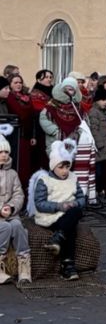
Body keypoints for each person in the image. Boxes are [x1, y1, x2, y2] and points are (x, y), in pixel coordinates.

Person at [29, 140, 85, 280]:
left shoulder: (73, 178)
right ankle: (68, 265)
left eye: (67, 166)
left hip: (68, 214)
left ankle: (58, 238)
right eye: (61, 167)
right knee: (70, 228)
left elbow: (82, 199)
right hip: (50, 216)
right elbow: (40, 203)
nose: (65, 171)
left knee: (76, 212)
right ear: (54, 166)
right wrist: (59, 206)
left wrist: (74, 203)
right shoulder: (45, 180)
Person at [0, 126, 31, 284]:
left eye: (6, 152)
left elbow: (19, 194)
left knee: (18, 227)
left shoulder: (13, 174)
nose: (4, 155)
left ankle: (24, 265)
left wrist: (11, 207)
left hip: (10, 213)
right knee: (5, 228)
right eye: (1, 152)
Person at [86, 85, 106, 202]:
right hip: (100, 149)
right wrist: (100, 145)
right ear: (97, 100)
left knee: (104, 172)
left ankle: (101, 193)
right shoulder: (94, 112)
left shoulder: (103, 112)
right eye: (103, 100)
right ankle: (97, 193)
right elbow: (94, 129)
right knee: (97, 173)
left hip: (105, 148)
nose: (105, 102)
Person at [6, 74, 39, 184]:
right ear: (10, 85)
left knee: (27, 165)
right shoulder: (10, 97)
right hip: (16, 136)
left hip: (27, 136)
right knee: (19, 165)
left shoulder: (26, 97)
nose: (18, 84)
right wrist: (28, 107)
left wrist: (33, 135)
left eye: (20, 82)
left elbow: (33, 116)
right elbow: (21, 113)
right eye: (15, 82)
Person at [39, 76, 85, 147]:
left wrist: (79, 132)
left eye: (71, 89)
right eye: (67, 89)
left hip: (75, 140)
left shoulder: (77, 106)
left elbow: (84, 120)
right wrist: (55, 131)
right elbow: (43, 118)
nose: (68, 91)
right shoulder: (53, 103)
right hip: (56, 140)